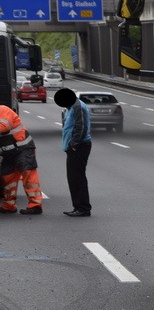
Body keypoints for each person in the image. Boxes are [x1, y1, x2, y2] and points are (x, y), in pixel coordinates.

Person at [53, 88, 92, 217]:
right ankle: (78, 207)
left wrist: (74, 144)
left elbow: (81, 126)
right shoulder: (71, 106)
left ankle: (83, 208)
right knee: (74, 178)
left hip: (79, 146)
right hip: (75, 147)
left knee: (77, 178)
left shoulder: (77, 107)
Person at [0, 104, 44, 215]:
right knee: (7, 177)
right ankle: (9, 206)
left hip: (23, 149)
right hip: (8, 152)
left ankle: (35, 205)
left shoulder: (3, 110)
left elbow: (4, 126)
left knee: (28, 174)